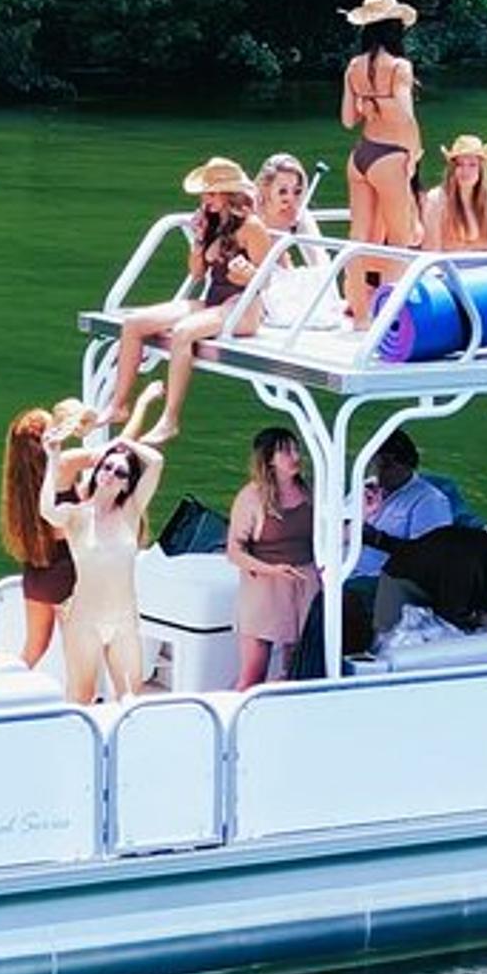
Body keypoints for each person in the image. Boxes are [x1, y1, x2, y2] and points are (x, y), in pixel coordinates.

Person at [104, 158, 274, 445]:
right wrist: (198, 240)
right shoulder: (213, 223)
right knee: (134, 323)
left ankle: (170, 419)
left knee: (184, 332)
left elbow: (265, 281)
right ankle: (119, 405)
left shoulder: (252, 227)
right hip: (214, 299)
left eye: (209, 194)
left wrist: (246, 274)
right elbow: (197, 273)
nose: (204, 200)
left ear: (227, 194)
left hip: (243, 307)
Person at [0, 382, 163, 667]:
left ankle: (2, 688)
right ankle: (82, 706)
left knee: (34, 648)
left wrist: (102, 418)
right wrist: (143, 404)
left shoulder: (21, 488)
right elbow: (119, 447)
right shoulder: (62, 464)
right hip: (67, 570)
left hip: (37, 572)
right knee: (79, 657)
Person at [39, 434, 166, 702]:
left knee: (131, 697)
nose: (111, 473)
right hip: (84, 619)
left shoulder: (131, 511)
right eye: (107, 467)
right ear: (97, 471)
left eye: (120, 472)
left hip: (124, 620)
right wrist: (51, 460)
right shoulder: (76, 515)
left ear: (126, 484)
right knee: (81, 697)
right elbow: (47, 510)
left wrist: (123, 441)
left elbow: (156, 461)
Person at [339, 0, 423, 327]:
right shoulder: (400, 67)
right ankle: (388, 318)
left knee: (359, 238)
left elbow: (347, 120)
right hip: (390, 156)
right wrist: (414, 153)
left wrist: (369, 105)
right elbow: (406, 116)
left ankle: (360, 316)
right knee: (399, 240)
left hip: (361, 155)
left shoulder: (353, 68)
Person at [226, 427, 319, 688]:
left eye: (296, 449)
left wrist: (365, 513)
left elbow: (327, 535)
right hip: (263, 587)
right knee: (253, 675)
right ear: (269, 459)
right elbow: (234, 551)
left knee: (297, 671)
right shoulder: (251, 497)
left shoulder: (310, 492)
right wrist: (272, 570)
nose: (295, 456)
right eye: (286, 451)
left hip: (304, 584)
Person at [373, 525, 487, 636]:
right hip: (404, 577)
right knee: (389, 637)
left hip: (440, 582)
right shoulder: (469, 561)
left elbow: (486, 599)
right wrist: (483, 620)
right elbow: (451, 612)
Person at [355, 430, 454, 577]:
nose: (378, 471)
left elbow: (431, 556)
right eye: (374, 463)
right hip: (343, 570)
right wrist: (362, 514)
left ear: (407, 464)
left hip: (381, 580)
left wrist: (377, 539)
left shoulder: (429, 501)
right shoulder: (365, 488)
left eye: (386, 465)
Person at [421, 135, 487, 254]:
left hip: (482, 270)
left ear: (481, 170)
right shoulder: (437, 199)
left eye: (472, 165)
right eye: (459, 165)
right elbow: (431, 249)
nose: (465, 171)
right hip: (445, 270)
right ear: (452, 169)